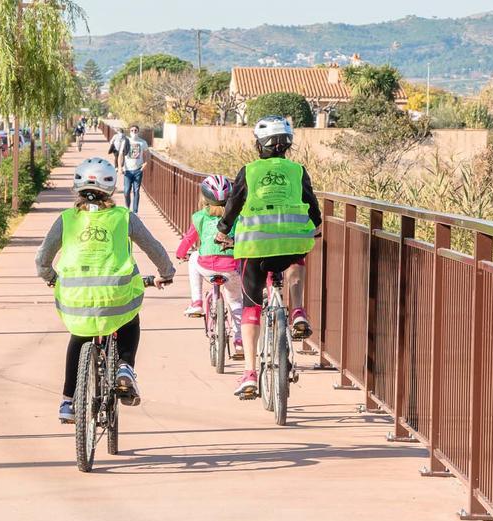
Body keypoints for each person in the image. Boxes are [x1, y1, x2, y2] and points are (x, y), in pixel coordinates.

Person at [36, 157, 176, 423]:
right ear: (111, 189)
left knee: (79, 336)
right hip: (115, 295)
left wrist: (51, 277)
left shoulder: (66, 219)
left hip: (75, 298)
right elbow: (153, 247)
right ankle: (125, 366)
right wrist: (166, 272)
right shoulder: (124, 217)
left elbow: (42, 258)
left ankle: (67, 402)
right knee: (129, 318)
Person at [215, 115, 322, 397]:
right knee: (297, 255)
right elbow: (312, 206)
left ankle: (249, 372)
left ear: (258, 144)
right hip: (292, 242)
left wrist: (223, 230)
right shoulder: (298, 170)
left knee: (252, 308)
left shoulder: (248, 171)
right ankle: (297, 310)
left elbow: (233, 204)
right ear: (287, 146)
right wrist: (317, 228)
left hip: (255, 246)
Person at [176, 175, 245, 359]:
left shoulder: (199, 217)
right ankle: (239, 341)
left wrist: (180, 254)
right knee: (236, 302)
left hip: (206, 266)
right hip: (231, 267)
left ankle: (197, 302)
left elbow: (189, 239)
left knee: (194, 258)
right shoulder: (237, 217)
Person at [117, 125, 148, 213]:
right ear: (129, 132)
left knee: (136, 190)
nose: (134, 132)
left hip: (138, 170)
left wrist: (145, 163)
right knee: (126, 191)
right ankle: (127, 208)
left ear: (138, 131)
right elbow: (120, 155)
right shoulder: (126, 141)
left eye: (135, 130)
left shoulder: (143, 142)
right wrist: (120, 167)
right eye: (132, 130)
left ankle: (135, 211)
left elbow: (146, 154)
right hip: (127, 171)